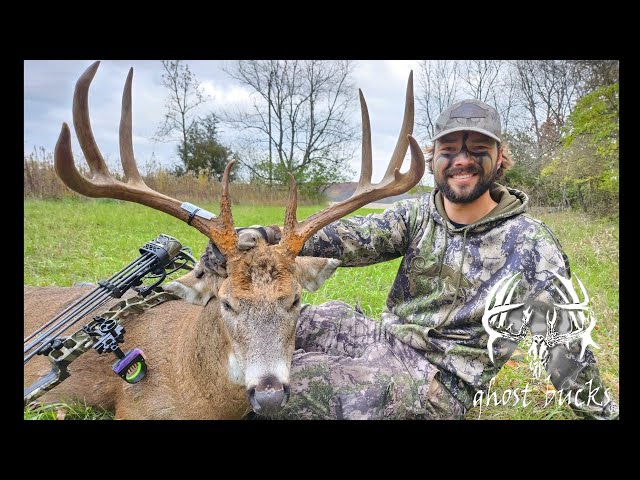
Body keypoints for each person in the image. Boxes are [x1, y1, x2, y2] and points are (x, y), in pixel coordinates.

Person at [202, 99, 618, 420]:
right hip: (386, 340)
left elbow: (566, 346)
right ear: (433, 158)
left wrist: (601, 409)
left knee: (295, 381)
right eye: (450, 148)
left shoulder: (531, 245)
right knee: (285, 323)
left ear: (500, 158)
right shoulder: (420, 213)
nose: (462, 159)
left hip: (440, 382)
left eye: (478, 148)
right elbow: (352, 239)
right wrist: (267, 235)